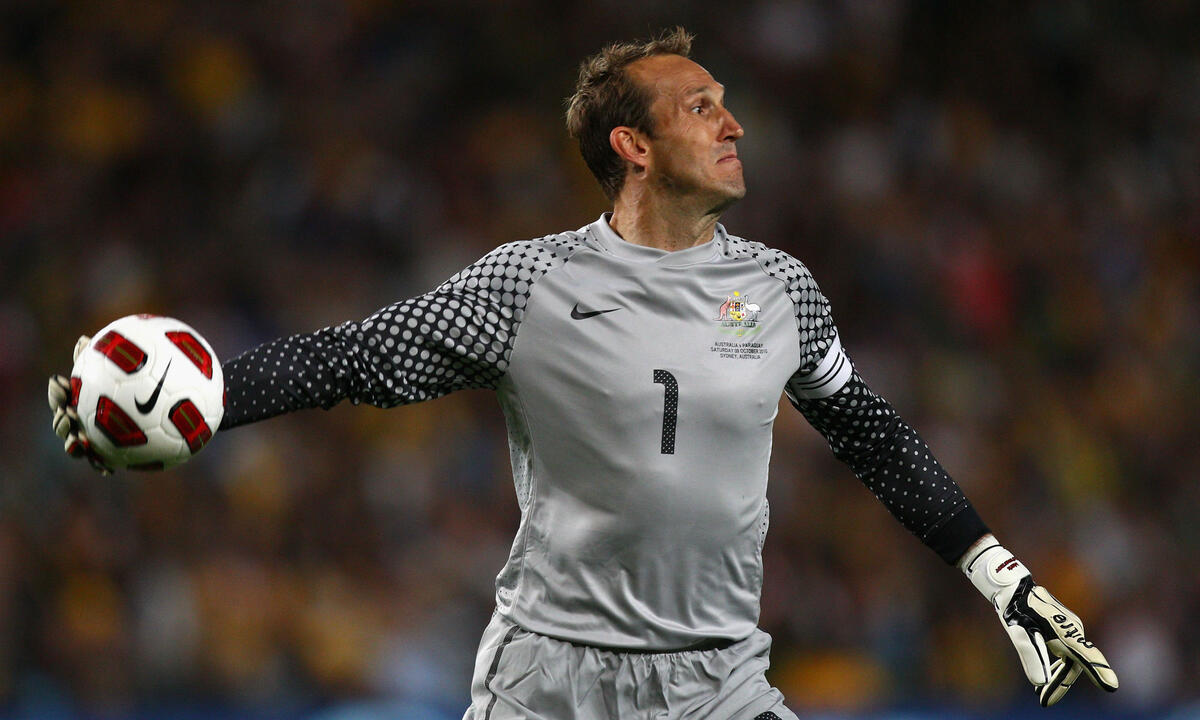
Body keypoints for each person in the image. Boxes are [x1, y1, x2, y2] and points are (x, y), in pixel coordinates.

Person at [49, 27, 1118, 720]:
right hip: (550, 683)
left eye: (726, 102)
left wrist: (1003, 580)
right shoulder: (527, 284)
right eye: (700, 107)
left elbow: (871, 434)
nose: (734, 122)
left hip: (716, 682)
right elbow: (352, 359)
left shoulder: (783, 289)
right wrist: (196, 404)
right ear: (632, 145)